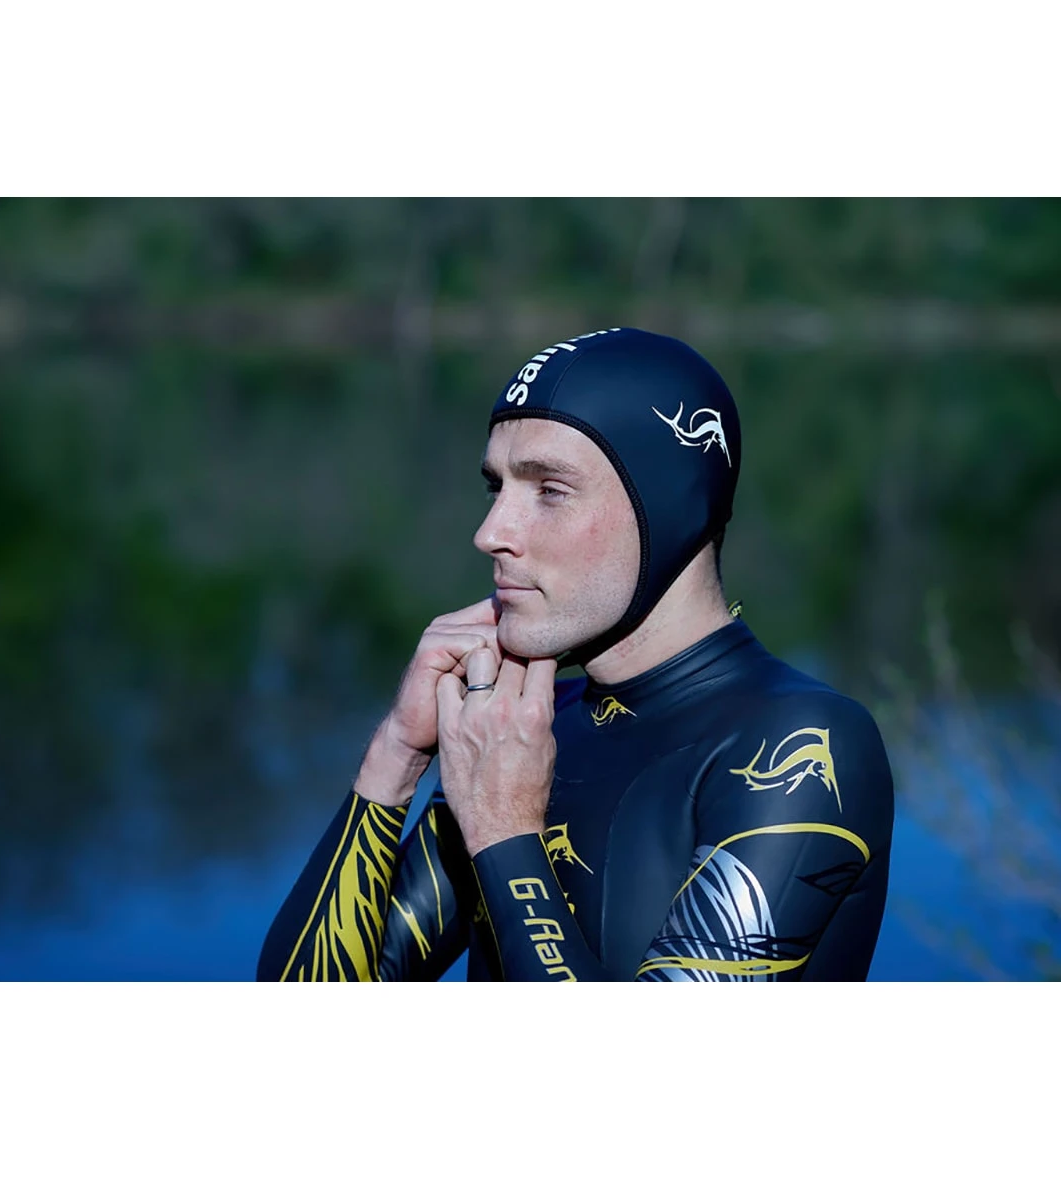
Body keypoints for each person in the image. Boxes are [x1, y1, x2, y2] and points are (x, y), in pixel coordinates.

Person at [256, 327, 894, 981]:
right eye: (496, 488)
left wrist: (505, 831)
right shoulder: (524, 729)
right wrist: (395, 758)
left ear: (669, 508)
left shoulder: (801, 743)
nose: (490, 533)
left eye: (549, 490)